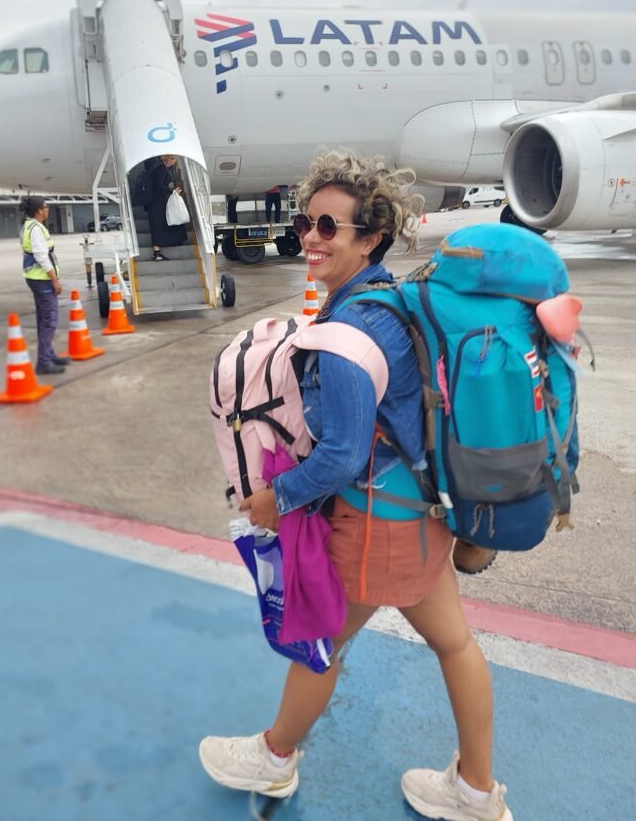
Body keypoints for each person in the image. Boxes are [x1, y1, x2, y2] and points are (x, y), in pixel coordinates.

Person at [199, 152, 513, 821]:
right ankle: (477, 790)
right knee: (455, 644)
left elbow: (340, 457)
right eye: (305, 223)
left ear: (370, 237)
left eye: (328, 227)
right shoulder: (392, 300)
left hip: (378, 527)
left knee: (322, 643)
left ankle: (276, 756)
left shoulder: (349, 331)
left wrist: (273, 501)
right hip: (423, 514)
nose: (310, 238)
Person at [20, 195, 69, 375]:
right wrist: (55, 280)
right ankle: (44, 362)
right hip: (42, 280)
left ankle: (49, 354)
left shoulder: (30, 226)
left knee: (43, 319)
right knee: (49, 320)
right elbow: (41, 256)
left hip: (35, 278)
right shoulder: (36, 229)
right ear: (40, 210)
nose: (48, 209)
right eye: (46, 207)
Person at [146, 154, 187, 261]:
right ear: (169, 159)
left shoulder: (156, 167)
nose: (174, 163)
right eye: (173, 161)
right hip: (157, 202)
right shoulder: (161, 168)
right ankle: (157, 253)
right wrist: (172, 191)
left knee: (157, 226)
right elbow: (159, 186)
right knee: (159, 226)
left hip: (154, 201)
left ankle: (157, 252)